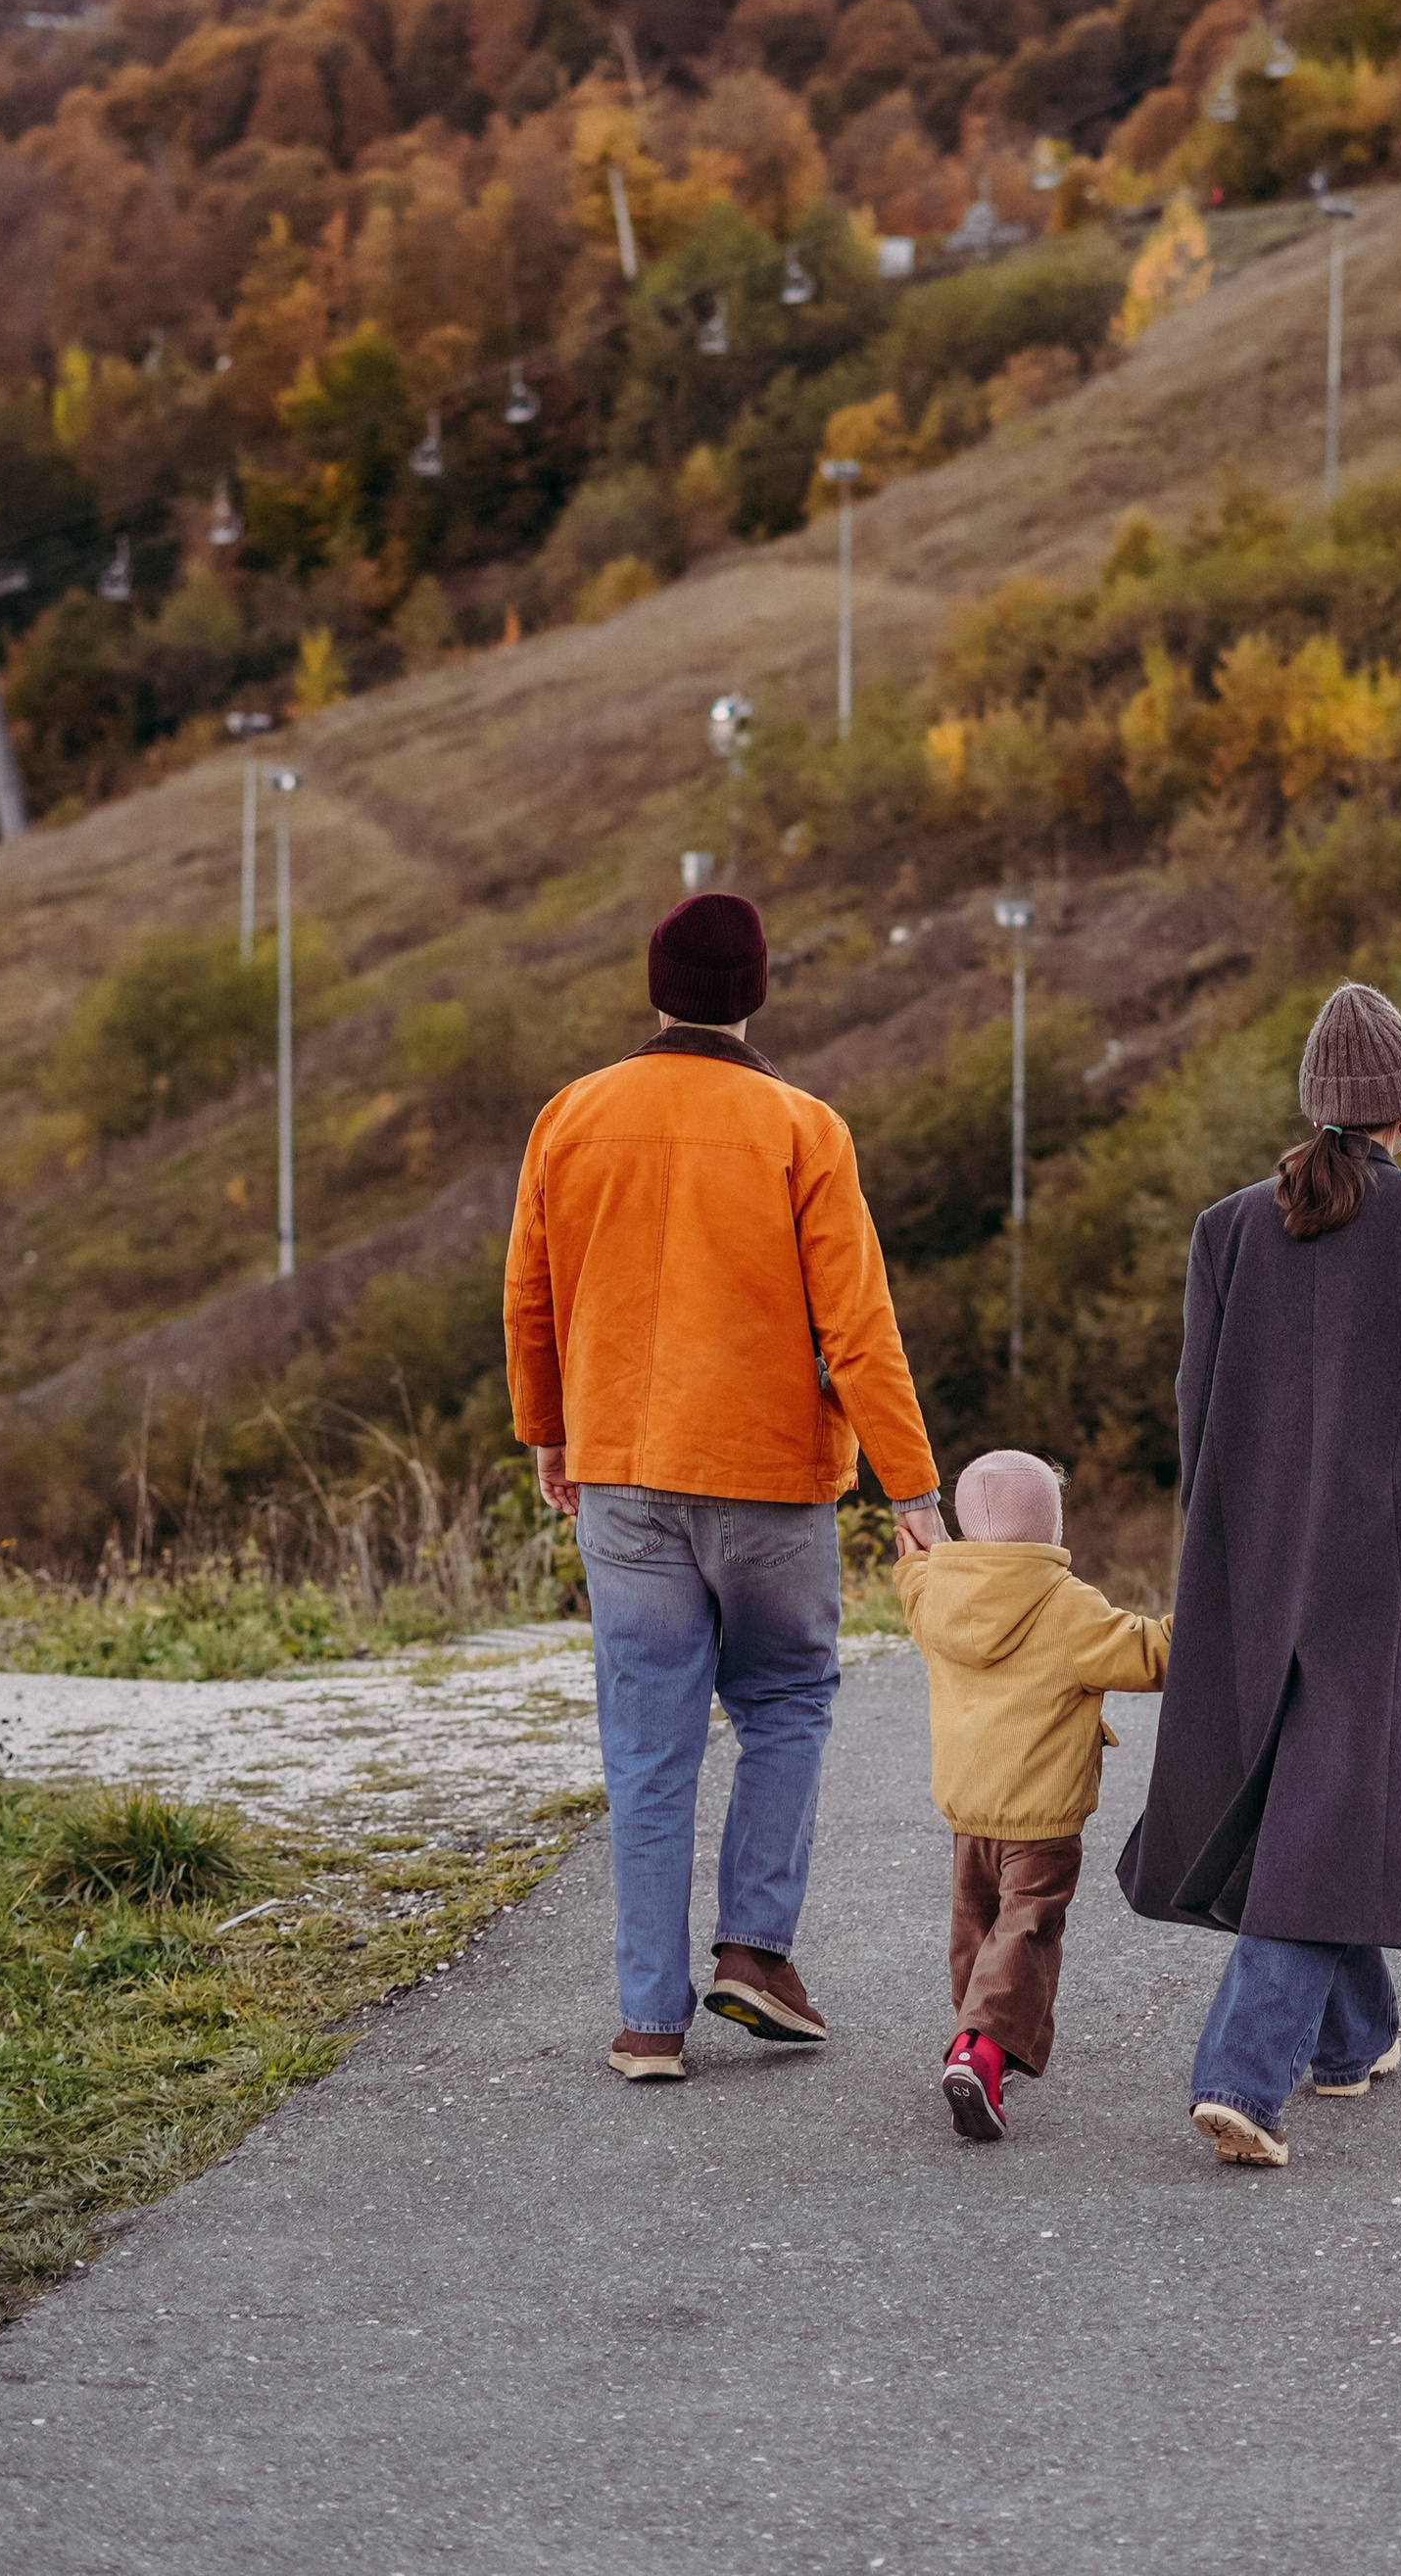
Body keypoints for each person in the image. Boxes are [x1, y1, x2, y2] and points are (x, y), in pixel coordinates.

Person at [504, 888, 947, 2082]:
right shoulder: (803, 1128)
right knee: (788, 1700)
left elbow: (531, 1298)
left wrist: (550, 1431)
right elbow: (859, 1327)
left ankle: (649, 2022)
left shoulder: (571, 1116)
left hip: (622, 1478)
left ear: (654, 987)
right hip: (767, 1479)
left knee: (647, 1742)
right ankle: (753, 1953)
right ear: (756, 996)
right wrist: (913, 1491)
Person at [1117, 978, 1401, 2168]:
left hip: (1246, 1548)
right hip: (1374, 1555)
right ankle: (1245, 2077)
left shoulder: (1229, 1225)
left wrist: (1211, 1529)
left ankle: (1353, 2041)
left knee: (1308, 1781)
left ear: (1318, 1105)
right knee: (1339, 1790)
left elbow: (1195, 1406)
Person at [897, 1446, 1171, 2143]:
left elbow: (913, 1584)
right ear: (1051, 1529)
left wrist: (912, 1556)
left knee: (976, 1926)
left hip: (968, 1808)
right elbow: (1148, 1655)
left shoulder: (937, 1595)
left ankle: (974, 2034)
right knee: (1028, 1926)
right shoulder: (1066, 1606)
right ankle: (981, 2050)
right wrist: (1203, 1622)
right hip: (1042, 1817)